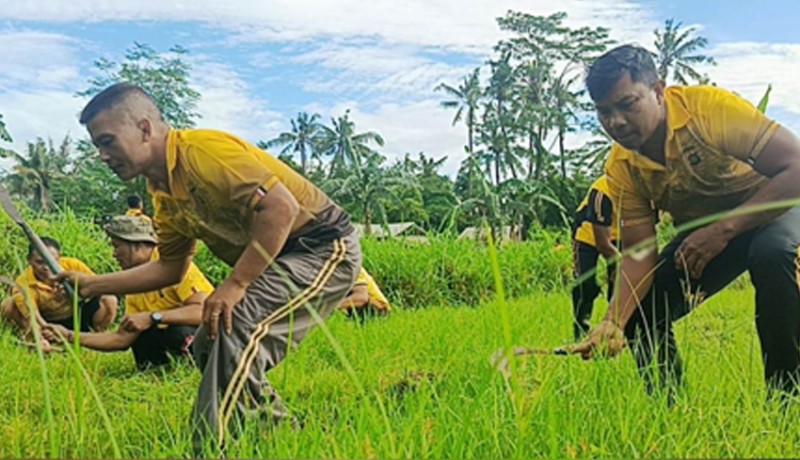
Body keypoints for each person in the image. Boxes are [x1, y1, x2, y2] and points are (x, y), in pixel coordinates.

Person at [59, 82, 361, 453]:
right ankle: (282, 437)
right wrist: (92, 285)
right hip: (278, 259)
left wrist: (236, 284)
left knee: (236, 328)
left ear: (144, 128)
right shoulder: (163, 194)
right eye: (97, 146)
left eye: (107, 141)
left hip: (321, 245)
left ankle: (206, 449)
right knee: (209, 340)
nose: (102, 156)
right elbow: (170, 268)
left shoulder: (202, 152)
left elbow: (281, 208)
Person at [572, 44, 800, 397]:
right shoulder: (622, 167)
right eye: (603, 111)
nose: (615, 122)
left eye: (627, 104)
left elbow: (796, 168)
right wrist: (613, 321)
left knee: (772, 255)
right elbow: (638, 253)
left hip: (776, 207)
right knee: (643, 311)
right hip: (707, 233)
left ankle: (787, 402)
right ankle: (671, 411)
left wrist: (725, 228)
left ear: (659, 90)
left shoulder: (709, 111)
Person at [45, 215, 214, 369]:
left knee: (176, 331)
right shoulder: (134, 287)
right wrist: (68, 336)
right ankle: (156, 373)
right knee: (142, 335)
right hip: (165, 345)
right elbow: (122, 338)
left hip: (201, 338)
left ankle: (197, 366)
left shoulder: (177, 268)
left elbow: (203, 311)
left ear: (138, 244)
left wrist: (152, 317)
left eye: (117, 246)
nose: (114, 254)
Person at [0, 237, 118, 351]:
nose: (46, 267)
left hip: (79, 315)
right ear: (29, 260)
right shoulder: (23, 282)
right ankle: (37, 340)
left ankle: (96, 338)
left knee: (109, 299)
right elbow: (32, 315)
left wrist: (76, 292)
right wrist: (46, 330)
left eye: (51, 261)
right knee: (8, 305)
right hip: (49, 321)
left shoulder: (73, 265)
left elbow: (96, 286)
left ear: (59, 258)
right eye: (39, 262)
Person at [571, 176, 619, 339]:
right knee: (586, 284)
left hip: (620, 236)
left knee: (619, 284)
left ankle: (615, 328)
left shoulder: (645, 188)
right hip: (587, 236)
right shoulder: (602, 190)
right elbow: (603, 244)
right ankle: (580, 328)